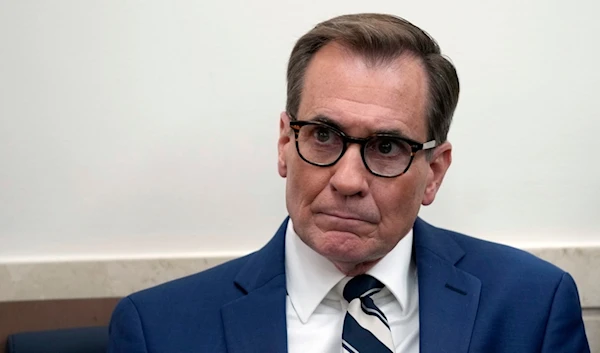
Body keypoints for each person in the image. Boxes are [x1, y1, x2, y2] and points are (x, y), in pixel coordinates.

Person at [107, 13, 590, 353]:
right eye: (323, 136)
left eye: (386, 148)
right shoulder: (159, 329)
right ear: (283, 144)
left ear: (434, 173)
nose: (347, 180)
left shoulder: (532, 307)